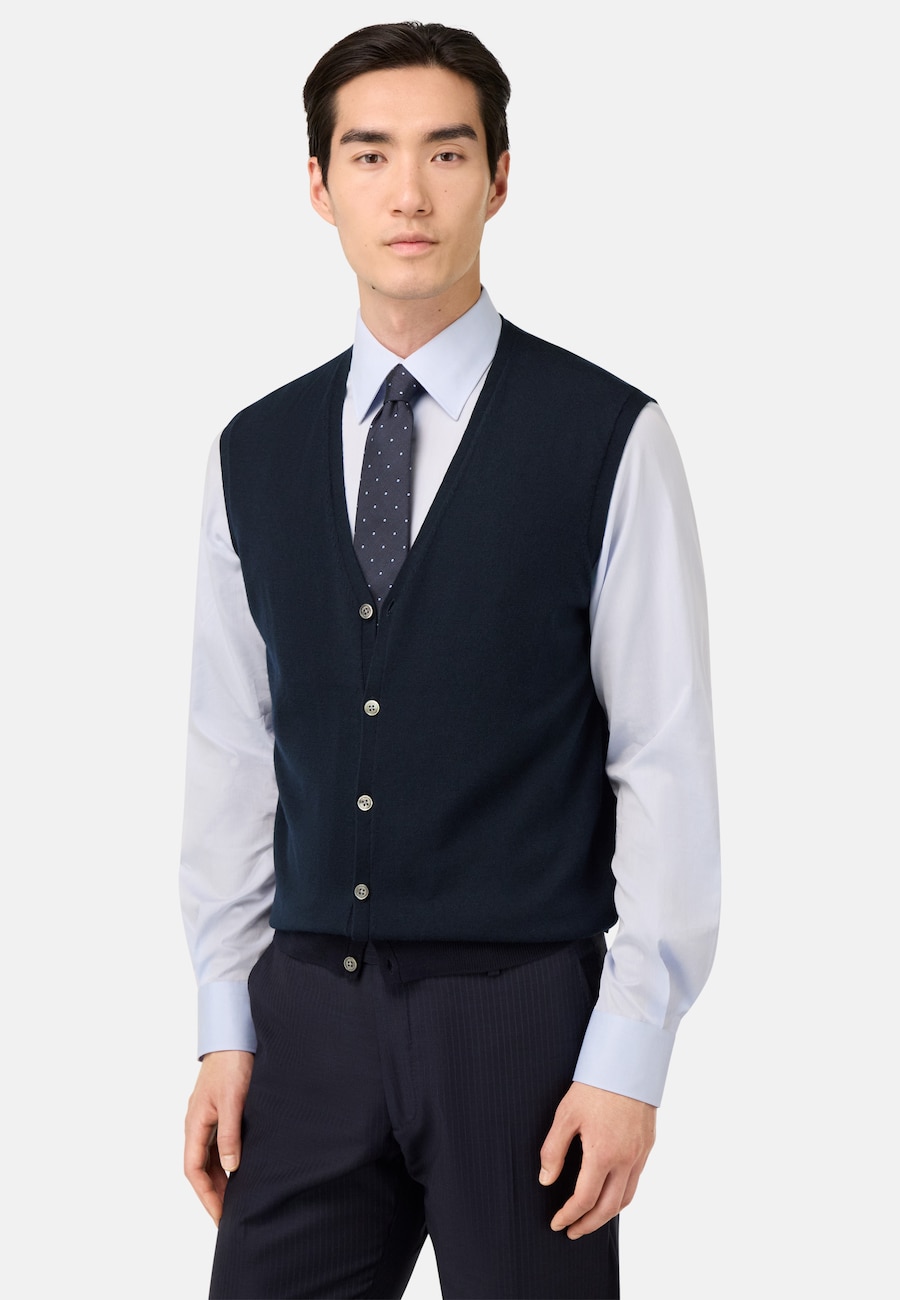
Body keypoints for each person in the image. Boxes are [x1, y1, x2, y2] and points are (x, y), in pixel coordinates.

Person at [180, 20, 720, 1300]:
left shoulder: (608, 436)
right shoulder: (252, 449)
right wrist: (224, 1024)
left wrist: (629, 1052)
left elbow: (663, 756)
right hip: (307, 1016)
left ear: (500, 177)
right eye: (370, 155)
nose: (409, 193)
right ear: (321, 186)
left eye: (447, 151)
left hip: (523, 1023)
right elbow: (232, 749)